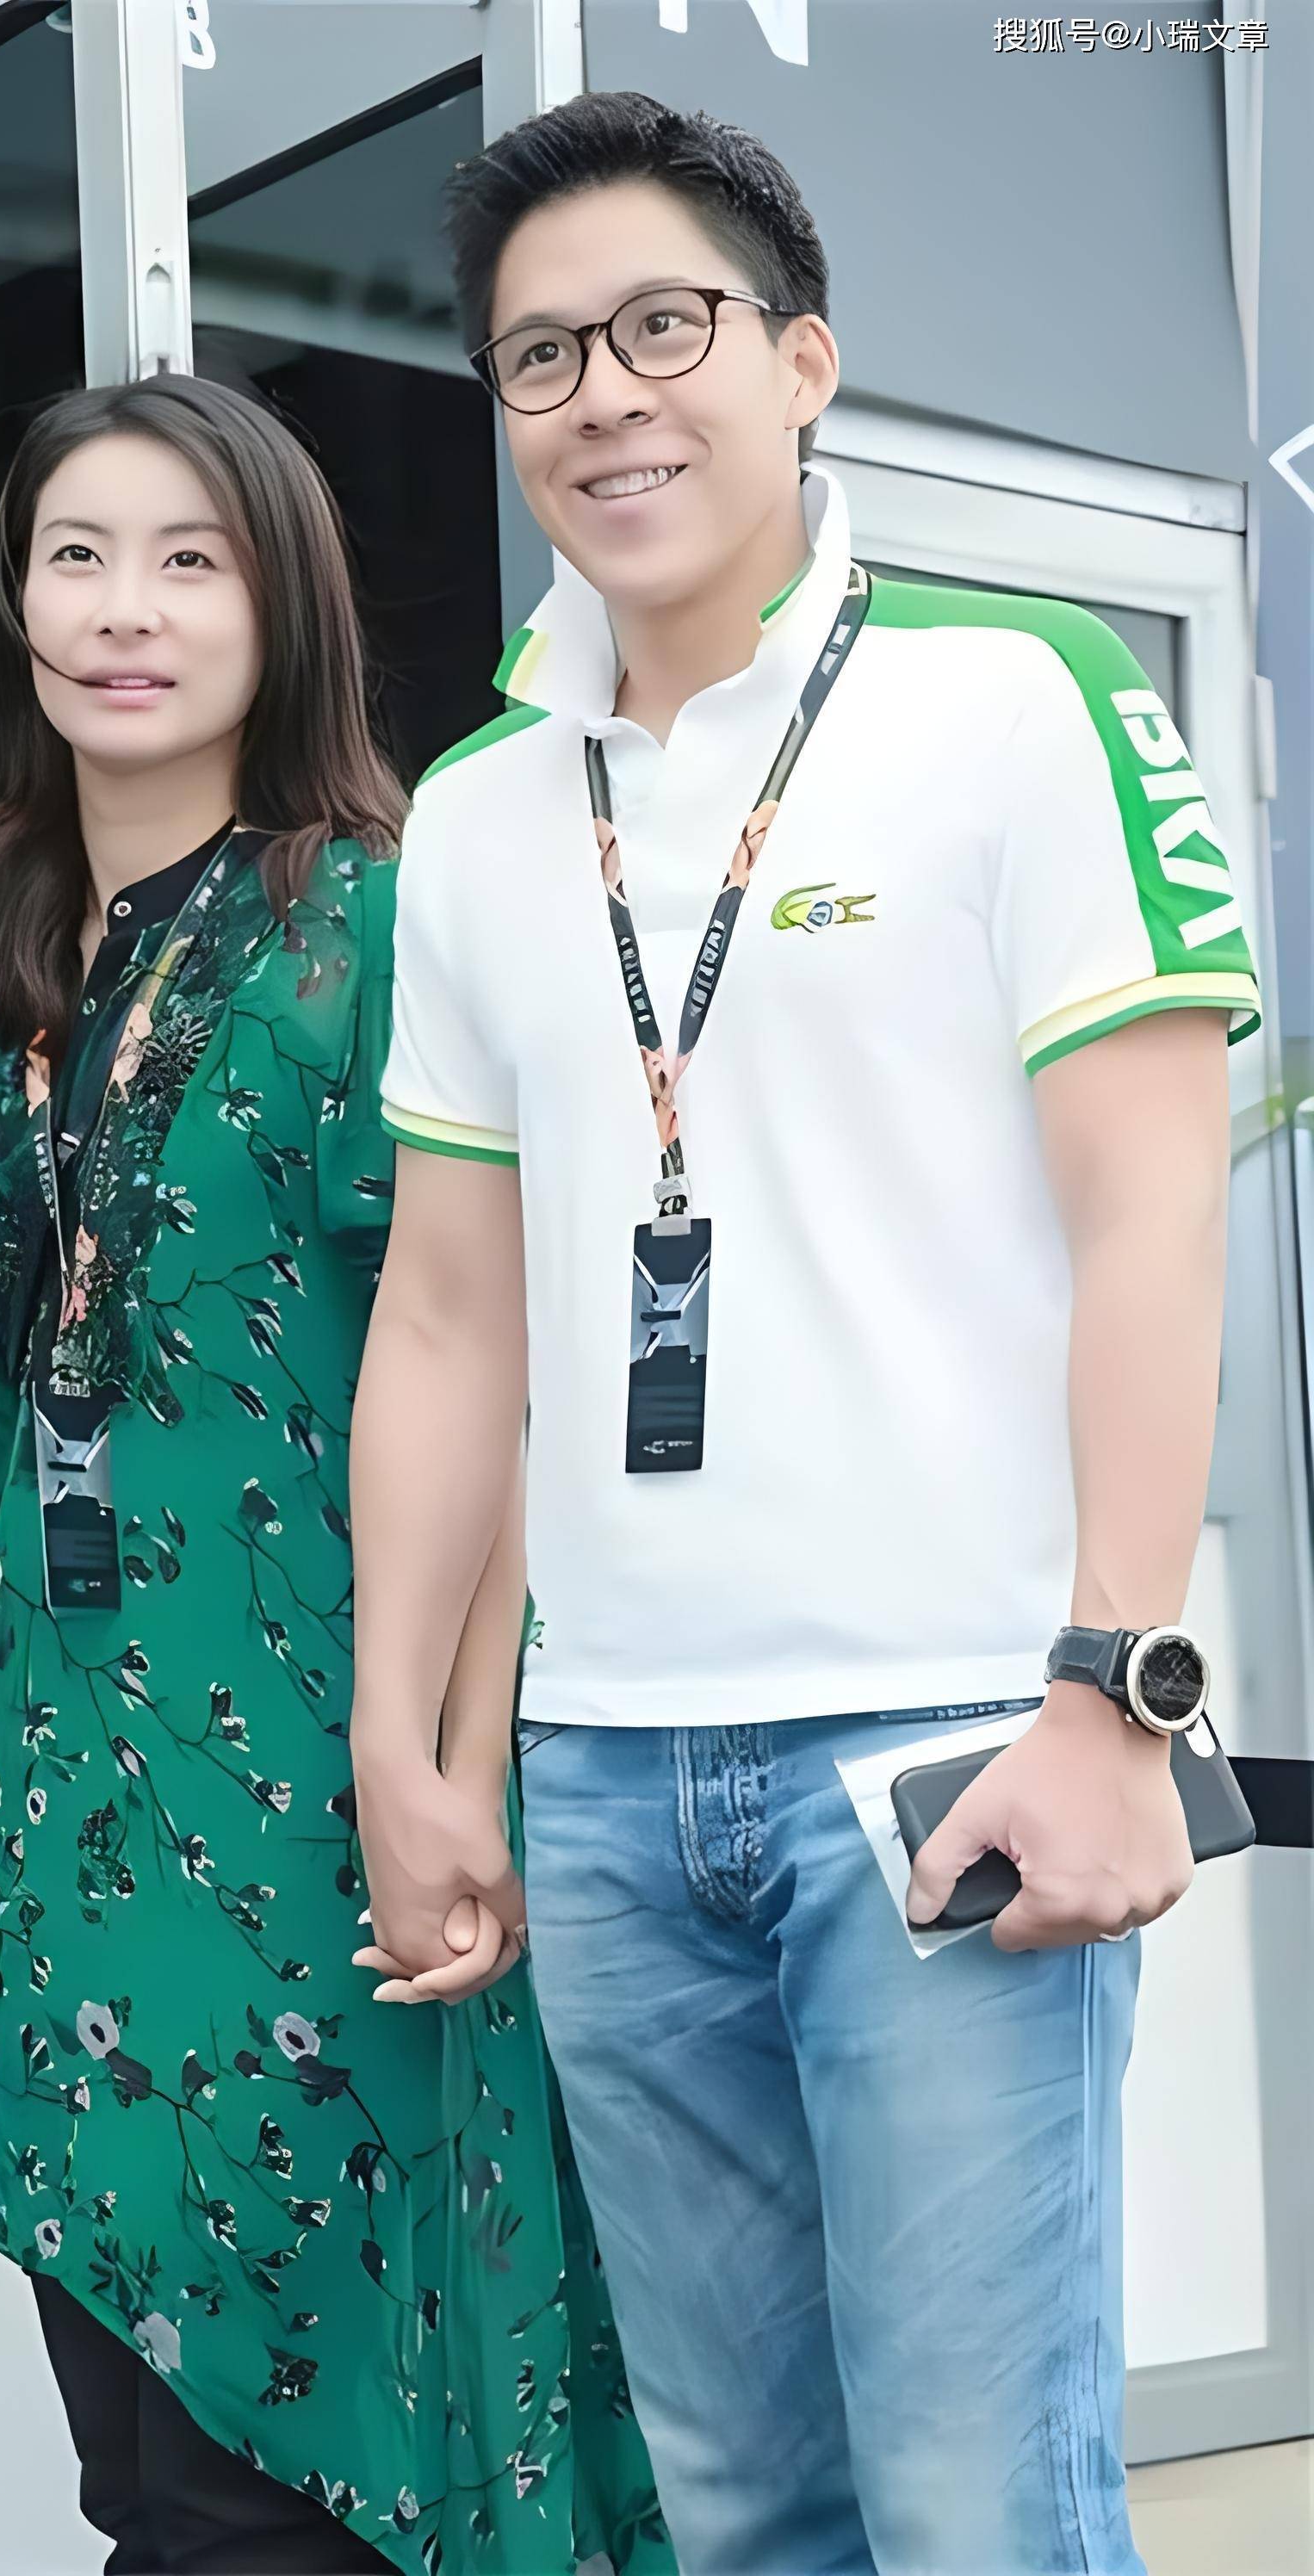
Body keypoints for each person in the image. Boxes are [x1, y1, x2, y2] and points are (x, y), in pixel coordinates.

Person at [348, 90, 1260, 2576]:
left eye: (664, 326)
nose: (607, 398)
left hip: (949, 1743)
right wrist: (408, 1740)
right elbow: (447, 1314)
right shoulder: (480, 809)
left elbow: (1154, 1216)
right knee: (744, 2515)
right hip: (608, 1782)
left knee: (978, 2515)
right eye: (542, 356)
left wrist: (1113, 1691)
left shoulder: (1024, 693)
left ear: (803, 359)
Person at [0, 376, 669, 2576]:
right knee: (132, 2457)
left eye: (188, 560)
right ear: (14, 603)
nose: (124, 609)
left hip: (335, 1780)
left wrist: (461, 1762)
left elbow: (489, 1365)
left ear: (282, 605)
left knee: (296, 2469)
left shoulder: (382, 921)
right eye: (75, 555)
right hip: (62, 1786)